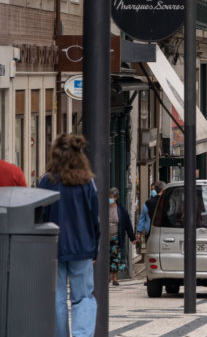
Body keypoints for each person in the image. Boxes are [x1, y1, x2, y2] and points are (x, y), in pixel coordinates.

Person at [38, 134, 100, 337]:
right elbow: (94, 217)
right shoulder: (87, 182)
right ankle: (82, 334)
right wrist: (95, 247)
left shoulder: (46, 181)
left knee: (55, 298)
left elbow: (40, 215)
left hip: (52, 247)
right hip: (82, 246)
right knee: (83, 297)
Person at [108, 188, 136, 286]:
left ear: (116, 198)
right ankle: (107, 276)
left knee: (115, 257)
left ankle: (114, 279)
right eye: (109, 197)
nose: (110, 199)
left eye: (112, 197)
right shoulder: (104, 207)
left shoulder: (121, 209)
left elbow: (127, 224)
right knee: (106, 257)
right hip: (105, 237)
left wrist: (132, 238)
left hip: (116, 237)